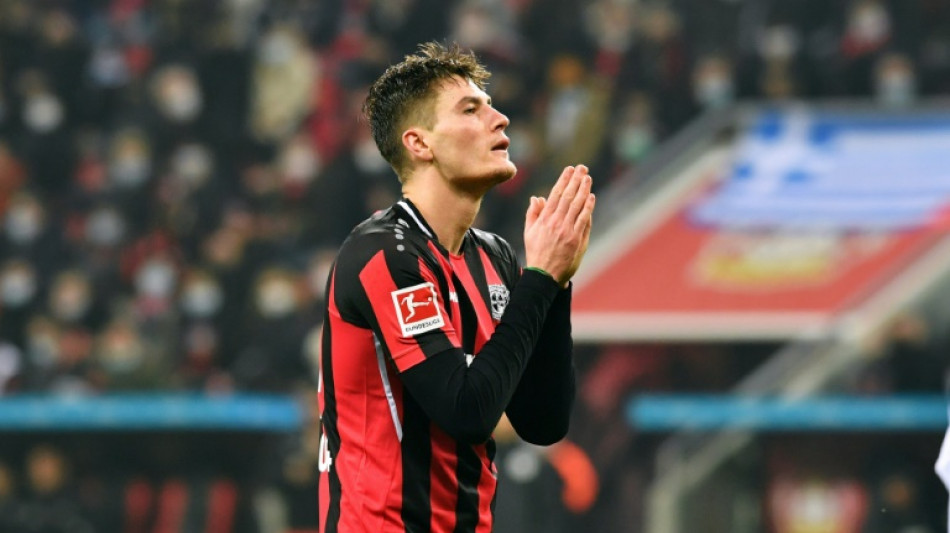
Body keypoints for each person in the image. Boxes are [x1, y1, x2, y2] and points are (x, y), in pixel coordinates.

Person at [316, 41, 595, 532]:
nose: (500, 119)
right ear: (419, 144)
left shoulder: (494, 256)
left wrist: (554, 282)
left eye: (491, 106)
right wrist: (539, 279)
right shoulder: (384, 254)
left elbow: (543, 422)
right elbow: (466, 411)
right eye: (471, 109)